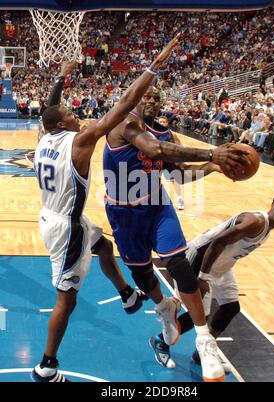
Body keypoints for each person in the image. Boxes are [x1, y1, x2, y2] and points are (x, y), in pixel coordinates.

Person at [31, 35, 181, 383]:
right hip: (64, 229)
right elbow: (125, 102)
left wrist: (60, 78)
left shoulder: (44, 137)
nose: (75, 115)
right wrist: (153, 66)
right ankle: (46, 365)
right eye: (70, 114)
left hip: (63, 217)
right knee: (66, 300)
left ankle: (127, 295)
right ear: (61, 125)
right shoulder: (80, 142)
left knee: (102, 245)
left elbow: (49, 110)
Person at [103, 84, 249, 382]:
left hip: (156, 206)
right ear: (136, 98)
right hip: (123, 213)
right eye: (148, 96)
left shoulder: (165, 135)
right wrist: (211, 151)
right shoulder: (123, 123)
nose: (154, 101)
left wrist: (213, 167)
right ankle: (163, 307)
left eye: (158, 98)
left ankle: (204, 340)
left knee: (179, 265)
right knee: (141, 274)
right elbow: (154, 150)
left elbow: (178, 172)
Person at [150, 193, 274, 369]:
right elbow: (218, 242)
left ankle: (204, 352)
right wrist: (203, 277)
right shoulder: (256, 221)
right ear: (273, 204)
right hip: (200, 259)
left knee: (230, 307)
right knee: (198, 315)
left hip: (221, 265)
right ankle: (161, 341)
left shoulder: (266, 230)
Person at [158, 115, 185, 210]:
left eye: (163, 122)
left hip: (168, 160)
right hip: (156, 161)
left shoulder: (171, 134)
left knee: (175, 180)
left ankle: (179, 199)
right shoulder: (152, 133)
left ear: (167, 123)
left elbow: (180, 146)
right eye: (160, 122)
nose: (161, 123)